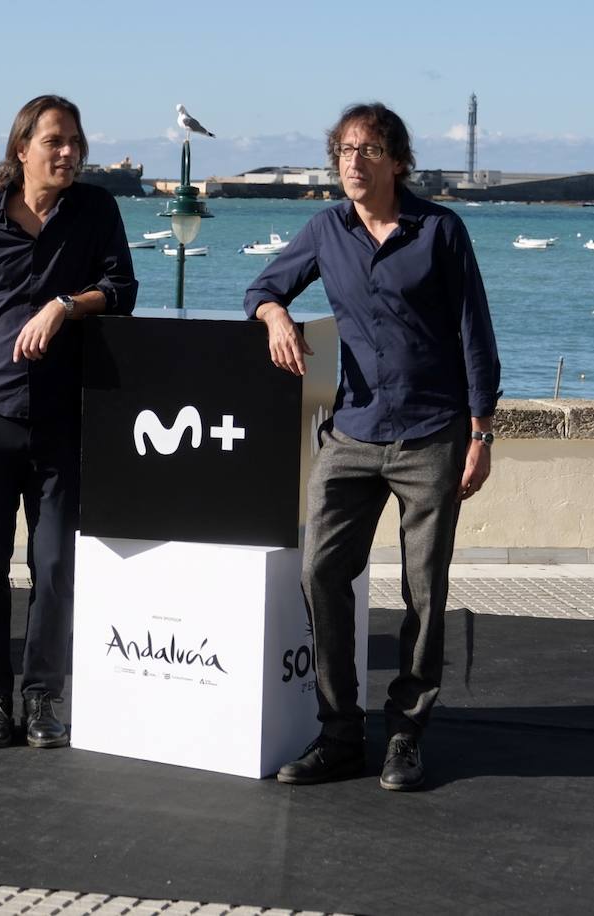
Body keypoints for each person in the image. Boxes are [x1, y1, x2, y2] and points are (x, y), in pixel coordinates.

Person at [244, 102, 500, 790]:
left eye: (368, 150)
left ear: (397, 162)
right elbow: (263, 286)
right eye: (344, 151)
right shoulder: (325, 230)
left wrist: (481, 432)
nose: (353, 162)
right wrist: (275, 315)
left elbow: (475, 333)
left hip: (432, 434)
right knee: (320, 573)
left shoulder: (440, 231)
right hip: (352, 432)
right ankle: (340, 735)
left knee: (425, 591)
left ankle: (407, 733)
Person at [0, 95, 137, 749]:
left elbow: (123, 291)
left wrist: (63, 304)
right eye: (55, 141)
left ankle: (44, 696)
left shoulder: (96, 211)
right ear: (21, 149)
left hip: (61, 425)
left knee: (54, 566)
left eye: (75, 141)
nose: (69, 152)